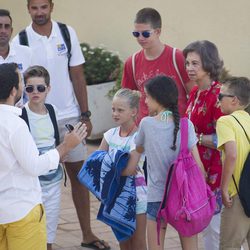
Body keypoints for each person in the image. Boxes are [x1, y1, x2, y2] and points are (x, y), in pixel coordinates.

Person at [12, 1, 110, 249]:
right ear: (28, 9)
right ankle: (44, 240)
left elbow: (77, 73)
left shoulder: (67, 32)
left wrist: (85, 114)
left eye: (44, 6)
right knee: (37, 177)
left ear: (51, 6)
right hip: (35, 118)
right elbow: (18, 81)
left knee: (79, 176)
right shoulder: (20, 39)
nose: (39, 12)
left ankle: (87, 235)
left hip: (68, 117)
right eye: (34, 8)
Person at [0, 62, 87, 250]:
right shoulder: (16, 124)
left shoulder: (44, 112)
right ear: (15, 90)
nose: (30, 89)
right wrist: (65, 146)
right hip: (21, 211)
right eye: (24, 84)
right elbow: (34, 166)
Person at [125, 75, 203, 250]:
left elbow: (136, 154)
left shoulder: (146, 124)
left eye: (147, 96)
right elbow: (199, 167)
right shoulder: (186, 125)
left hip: (156, 198)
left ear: (158, 98)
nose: (144, 101)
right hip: (184, 197)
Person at [183, 40, 224, 250]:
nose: (189, 68)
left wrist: (196, 139)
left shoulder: (219, 96)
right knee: (204, 224)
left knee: (215, 229)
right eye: (187, 63)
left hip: (215, 171)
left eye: (195, 63)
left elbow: (224, 140)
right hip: (197, 169)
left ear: (209, 64)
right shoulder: (195, 93)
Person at [122, 7, 194, 124]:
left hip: (177, 129)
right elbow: (126, 100)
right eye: (136, 34)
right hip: (146, 130)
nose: (140, 38)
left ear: (158, 32)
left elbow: (193, 95)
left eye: (145, 34)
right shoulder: (132, 63)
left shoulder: (177, 57)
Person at [98, 88, 147, 250]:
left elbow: (131, 168)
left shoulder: (138, 137)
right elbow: (97, 162)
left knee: (138, 242)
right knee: (123, 241)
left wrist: (109, 169)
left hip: (137, 197)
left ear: (133, 112)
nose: (115, 113)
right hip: (115, 196)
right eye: (113, 109)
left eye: (120, 110)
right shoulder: (110, 135)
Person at [21, 65, 63, 250]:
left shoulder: (53, 110)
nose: (35, 92)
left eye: (40, 88)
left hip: (53, 181)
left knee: (49, 230)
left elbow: (57, 141)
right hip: (31, 184)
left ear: (48, 89)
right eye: (30, 88)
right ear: (24, 89)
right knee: (31, 230)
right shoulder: (20, 114)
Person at [216, 77, 250, 250]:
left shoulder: (225, 121)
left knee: (229, 246)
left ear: (234, 100)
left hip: (237, 195)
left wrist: (223, 188)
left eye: (220, 96)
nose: (218, 100)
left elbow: (232, 155)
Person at [0, 9, 33, 105]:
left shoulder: (26, 53)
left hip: (21, 114)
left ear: (11, 30)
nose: (3, 31)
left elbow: (32, 86)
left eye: (6, 27)